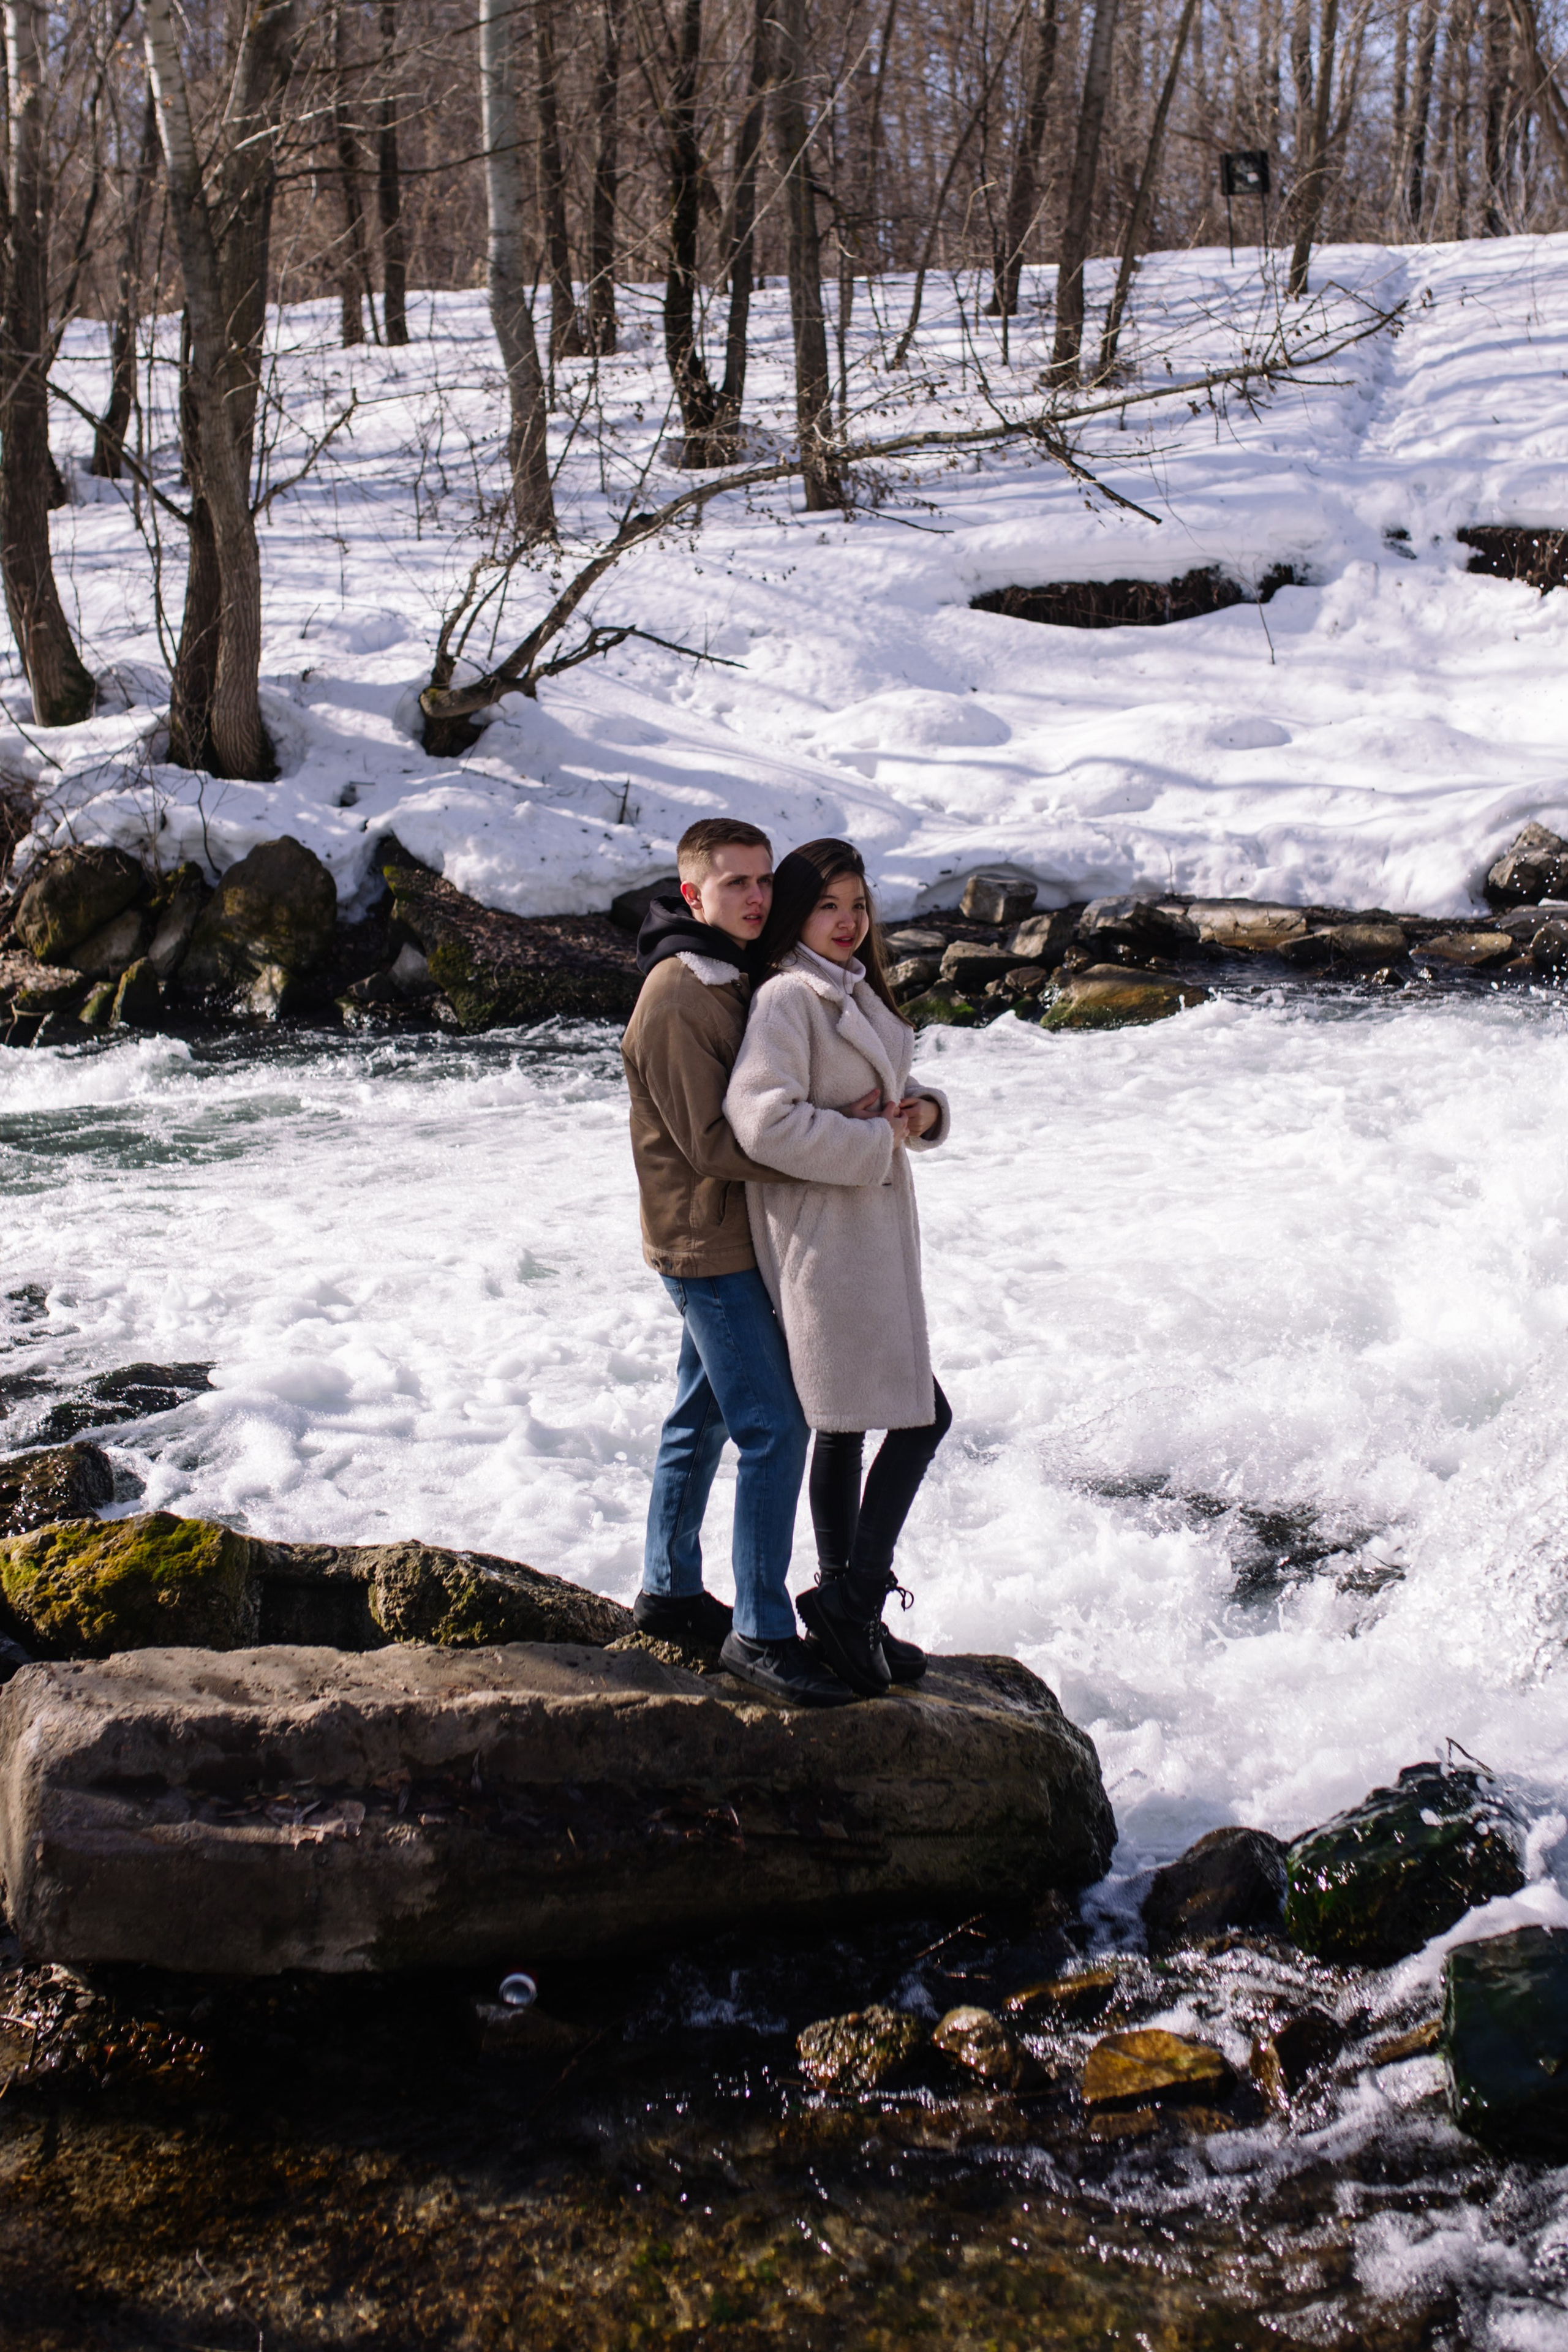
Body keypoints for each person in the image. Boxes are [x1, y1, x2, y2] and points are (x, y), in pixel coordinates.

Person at [620, 818, 856, 1707]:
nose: (758, 898)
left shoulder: (733, 972)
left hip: (728, 1234)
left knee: (702, 1417)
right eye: (735, 885)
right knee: (776, 1428)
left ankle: (668, 1591)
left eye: (764, 881)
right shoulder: (680, 994)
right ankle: (759, 1633)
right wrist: (847, 1143)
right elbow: (715, 1143)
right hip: (704, 1242)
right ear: (693, 895)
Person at [723, 838, 953, 1699]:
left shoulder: (845, 989)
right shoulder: (789, 996)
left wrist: (921, 1110)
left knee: (849, 1425)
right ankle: (851, 1599)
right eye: (829, 906)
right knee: (921, 1416)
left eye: (858, 904)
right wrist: (870, 1138)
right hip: (828, 1243)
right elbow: (763, 1123)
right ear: (796, 915)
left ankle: (843, 1607)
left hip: (862, 1235)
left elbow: (874, 1090)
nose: (850, 921)